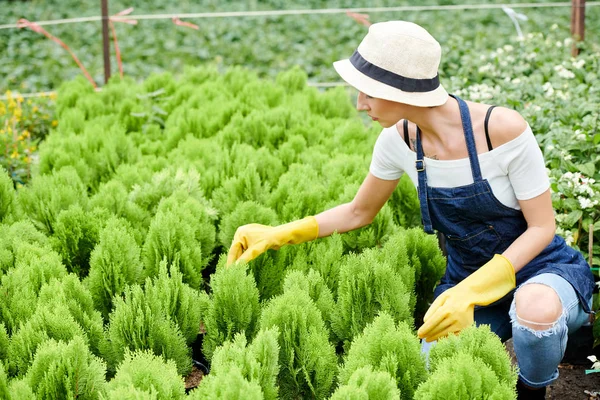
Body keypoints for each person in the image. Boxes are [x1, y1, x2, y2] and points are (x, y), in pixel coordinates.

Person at [226, 20, 595, 399]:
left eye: (367, 93)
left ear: (402, 91)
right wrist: (278, 233)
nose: (360, 104)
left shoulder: (499, 129)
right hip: (465, 280)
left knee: (534, 313)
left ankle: (531, 393)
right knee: (429, 365)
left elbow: (542, 228)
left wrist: (473, 292)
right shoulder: (397, 142)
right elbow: (358, 212)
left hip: (542, 271)